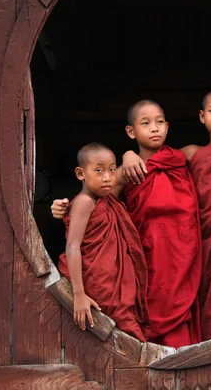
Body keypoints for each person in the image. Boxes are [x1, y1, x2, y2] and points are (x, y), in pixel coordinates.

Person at [52, 102, 202, 349]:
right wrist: (64, 209)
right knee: (146, 312)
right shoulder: (124, 172)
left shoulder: (179, 158)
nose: (154, 128)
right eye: (145, 123)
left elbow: (208, 153)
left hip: (183, 255)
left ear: (167, 126)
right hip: (144, 257)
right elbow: (99, 201)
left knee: (181, 312)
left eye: (159, 122)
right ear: (131, 132)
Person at [122, 89, 211, 340]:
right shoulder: (185, 154)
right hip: (182, 248)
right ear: (201, 116)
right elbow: (113, 185)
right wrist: (127, 154)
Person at [57, 142, 148, 342]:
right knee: (127, 338)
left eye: (112, 170)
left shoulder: (107, 200)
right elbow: (73, 246)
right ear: (81, 174)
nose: (107, 178)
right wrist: (79, 294)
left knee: (127, 335)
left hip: (115, 285)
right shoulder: (84, 202)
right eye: (99, 171)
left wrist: (129, 152)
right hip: (98, 285)